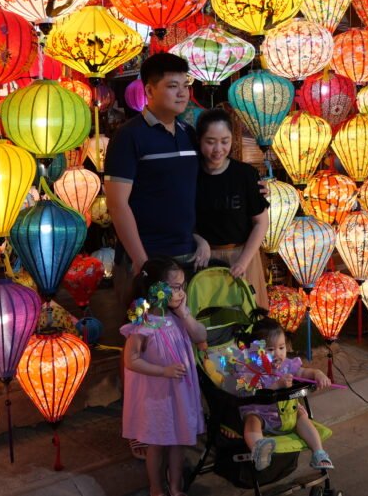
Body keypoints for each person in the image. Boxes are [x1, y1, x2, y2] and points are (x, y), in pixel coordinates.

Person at [105, 53, 200, 305]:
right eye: (172, 86)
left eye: (185, 86)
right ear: (149, 90)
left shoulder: (188, 133)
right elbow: (117, 204)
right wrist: (142, 262)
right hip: (146, 258)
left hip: (187, 255)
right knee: (148, 328)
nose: (182, 93)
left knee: (186, 327)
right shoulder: (128, 136)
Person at [121, 257, 208, 496]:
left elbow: (201, 336)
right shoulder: (145, 322)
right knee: (157, 444)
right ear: (156, 289)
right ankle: (156, 488)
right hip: (158, 397)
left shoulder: (178, 317)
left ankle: (176, 487)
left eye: (183, 286)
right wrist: (164, 371)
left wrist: (184, 313)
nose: (181, 292)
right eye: (175, 287)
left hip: (180, 394)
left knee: (179, 442)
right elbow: (131, 360)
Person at [192, 107, 270, 309]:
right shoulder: (191, 176)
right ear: (199, 140)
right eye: (210, 142)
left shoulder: (245, 174)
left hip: (243, 258)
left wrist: (243, 262)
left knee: (248, 318)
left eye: (225, 141)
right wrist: (198, 239)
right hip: (205, 261)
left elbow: (261, 223)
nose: (218, 149)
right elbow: (182, 218)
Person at [239, 311, 333, 472]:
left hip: (287, 412)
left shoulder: (287, 365)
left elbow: (303, 372)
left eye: (281, 347)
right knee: (251, 420)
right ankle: (260, 449)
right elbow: (251, 392)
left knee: (302, 417)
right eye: (270, 349)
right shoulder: (250, 370)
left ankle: (318, 452)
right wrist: (276, 385)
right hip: (261, 412)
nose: (278, 353)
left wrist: (317, 374)